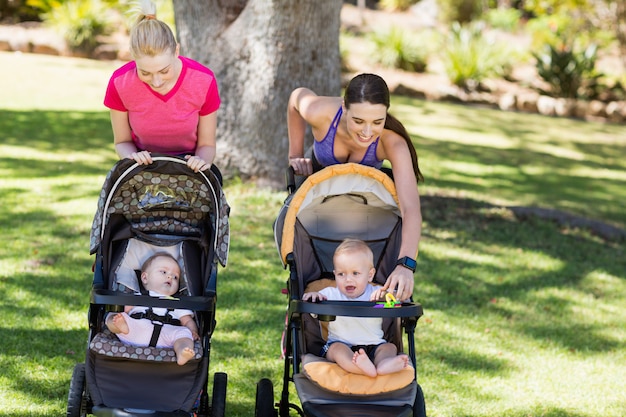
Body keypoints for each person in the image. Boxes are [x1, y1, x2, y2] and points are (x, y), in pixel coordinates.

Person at [287, 73, 423, 302]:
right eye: (358, 121)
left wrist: (405, 266)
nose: (367, 132)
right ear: (344, 107)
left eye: (377, 122)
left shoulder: (393, 143)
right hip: (318, 198)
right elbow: (295, 99)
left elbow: (411, 209)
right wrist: (295, 154)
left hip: (363, 208)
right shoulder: (321, 113)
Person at [104, 0, 220, 174]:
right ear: (133, 58)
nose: (156, 82)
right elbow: (122, 142)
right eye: (145, 73)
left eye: (164, 71)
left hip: (189, 168)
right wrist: (134, 157)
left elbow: (207, 145)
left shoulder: (203, 80)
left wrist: (200, 161)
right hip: (143, 167)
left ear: (176, 51)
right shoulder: (120, 83)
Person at [303, 239, 409, 377]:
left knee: (389, 347)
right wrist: (313, 296)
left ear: (370, 274)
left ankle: (383, 364)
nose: (348, 279)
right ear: (335, 274)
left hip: (374, 345)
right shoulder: (330, 294)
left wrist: (387, 294)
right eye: (341, 274)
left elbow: (401, 301)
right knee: (335, 350)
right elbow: (313, 306)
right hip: (341, 343)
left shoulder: (376, 293)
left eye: (355, 273)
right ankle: (364, 368)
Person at [106, 252, 199, 366]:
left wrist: (192, 331)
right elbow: (123, 310)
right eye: (163, 272)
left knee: (184, 334)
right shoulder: (137, 297)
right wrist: (118, 317)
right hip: (136, 330)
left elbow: (188, 321)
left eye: (175, 277)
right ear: (145, 277)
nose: (170, 276)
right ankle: (119, 326)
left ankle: (182, 351)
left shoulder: (177, 303)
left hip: (166, 336)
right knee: (112, 317)